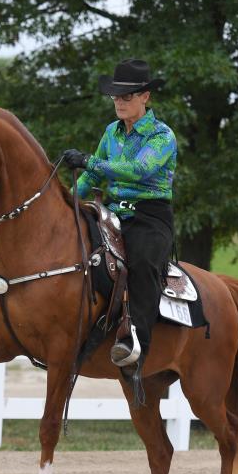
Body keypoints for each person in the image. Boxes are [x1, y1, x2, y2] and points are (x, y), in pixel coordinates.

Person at [63, 59, 177, 368]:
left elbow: (139, 170)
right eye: (116, 96)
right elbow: (93, 178)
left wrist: (89, 161)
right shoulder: (110, 133)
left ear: (145, 97)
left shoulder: (161, 136)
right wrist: (66, 202)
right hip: (112, 212)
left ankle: (136, 342)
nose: (119, 102)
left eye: (126, 96)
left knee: (142, 261)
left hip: (149, 217)